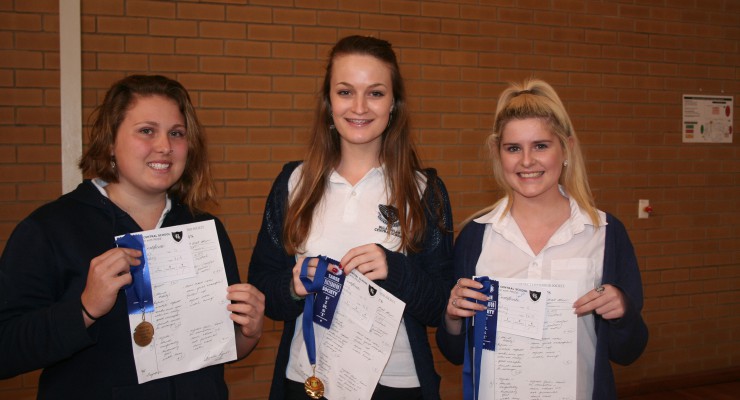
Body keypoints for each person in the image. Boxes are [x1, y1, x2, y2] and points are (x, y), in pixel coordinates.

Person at [0, 75, 265, 399]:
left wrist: (249, 333)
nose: (165, 146)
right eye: (147, 131)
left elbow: (217, 350)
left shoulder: (203, 229)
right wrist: (84, 309)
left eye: (176, 133)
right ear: (110, 141)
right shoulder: (51, 229)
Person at [247, 35, 454, 400]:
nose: (359, 107)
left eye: (375, 93)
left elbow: (441, 306)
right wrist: (293, 286)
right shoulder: (293, 183)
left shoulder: (425, 191)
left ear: (394, 104)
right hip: (308, 380)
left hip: (396, 386)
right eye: (345, 92)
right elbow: (262, 286)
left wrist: (395, 270)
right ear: (328, 102)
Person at [436, 78, 648, 400]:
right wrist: (453, 316)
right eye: (513, 148)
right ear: (498, 153)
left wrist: (622, 311)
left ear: (566, 148)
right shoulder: (476, 236)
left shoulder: (605, 232)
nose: (526, 161)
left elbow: (629, 351)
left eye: (540, 146)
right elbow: (453, 352)